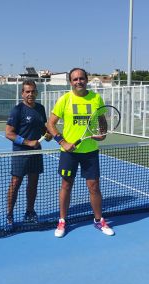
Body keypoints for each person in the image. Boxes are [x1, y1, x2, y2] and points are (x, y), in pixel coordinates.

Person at [46, 68, 114, 238]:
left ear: (86, 80)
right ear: (71, 82)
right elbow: (50, 124)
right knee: (66, 186)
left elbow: (101, 120)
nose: (78, 82)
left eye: (81, 78)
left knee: (94, 187)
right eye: (75, 79)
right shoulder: (64, 100)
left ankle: (99, 220)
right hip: (69, 152)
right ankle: (62, 220)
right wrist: (63, 142)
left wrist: (102, 134)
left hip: (90, 151)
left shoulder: (96, 98)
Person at [5, 80, 51, 230]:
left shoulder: (40, 108)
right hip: (21, 152)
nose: (30, 94)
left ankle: (29, 212)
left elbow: (43, 128)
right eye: (27, 91)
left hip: (36, 152)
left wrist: (47, 134)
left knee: (33, 183)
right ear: (22, 93)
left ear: (36, 92)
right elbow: (9, 133)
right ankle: (9, 215)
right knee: (15, 183)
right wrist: (27, 142)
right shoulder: (17, 110)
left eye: (33, 91)